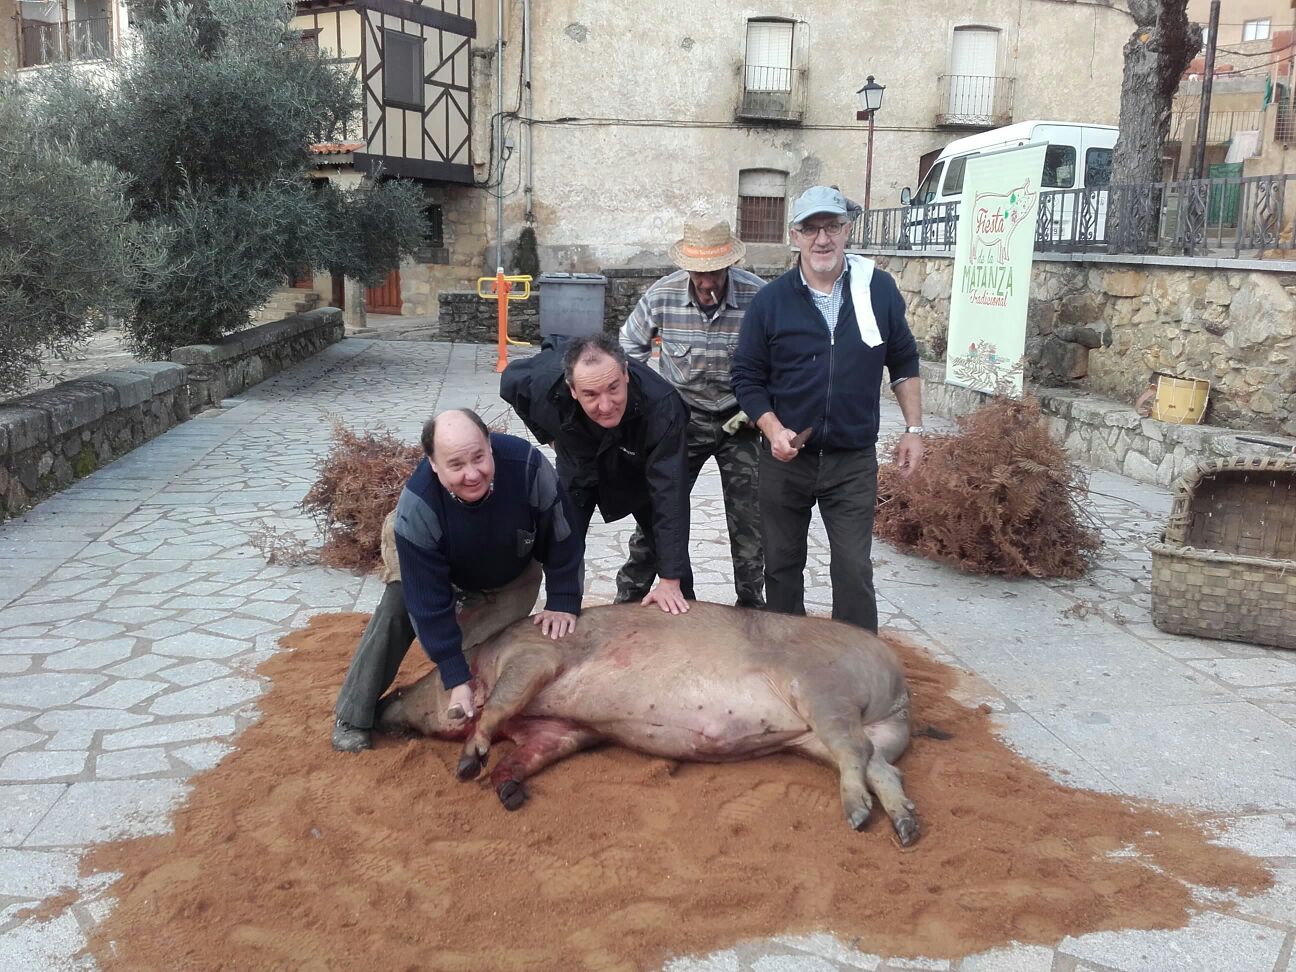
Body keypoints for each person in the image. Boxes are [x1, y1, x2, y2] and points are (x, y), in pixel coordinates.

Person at [730, 185, 925, 634]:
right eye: (811, 228)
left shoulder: (877, 289)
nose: (823, 239)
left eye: (832, 226)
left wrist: (914, 429)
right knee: (781, 567)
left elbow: (903, 359)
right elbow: (746, 376)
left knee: (853, 569)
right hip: (786, 460)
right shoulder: (771, 301)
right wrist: (772, 429)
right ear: (795, 236)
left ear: (847, 230)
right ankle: (788, 659)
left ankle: (856, 661)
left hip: (851, 461)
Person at [331, 409, 583, 753]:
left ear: (489, 445)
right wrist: (454, 675)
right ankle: (353, 714)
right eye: (456, 465)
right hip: (436, 567)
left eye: (479, 458)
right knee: (398, 607)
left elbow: (563, 534)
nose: (472, 474)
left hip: (509, 573)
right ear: (434, 464)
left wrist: (563, 599)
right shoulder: (417, 506)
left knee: (489, 655)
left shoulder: (528, 466)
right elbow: (427, 601)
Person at [618, 219, 766, 608]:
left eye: (715, 272)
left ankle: (752, 607)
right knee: (659, 511)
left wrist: (765, 406)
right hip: (681, 419)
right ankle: (629, 599)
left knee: (750, 519)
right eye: (699, 273)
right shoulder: (662, 295)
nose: (707, 282)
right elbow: (628, 350)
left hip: (741, 420)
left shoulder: (759, 296)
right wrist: (647, 405)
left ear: (730, 264)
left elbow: (785, 355)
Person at [500, 332, 694, 615]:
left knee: (668, 545)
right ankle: (562, 606)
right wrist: (549, 437)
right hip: (578, 460)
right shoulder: (543, 384)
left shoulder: (663, 406)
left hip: (635, 466)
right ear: (572, 389)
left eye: (613, 388)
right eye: (590, 394)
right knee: (566, 536)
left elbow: (671, 497)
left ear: (625, 373)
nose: (605, 406)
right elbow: (510, 383)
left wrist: (670, 580)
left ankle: (686, 607)